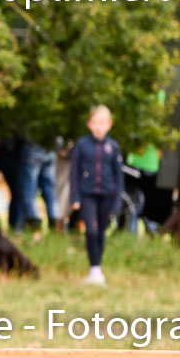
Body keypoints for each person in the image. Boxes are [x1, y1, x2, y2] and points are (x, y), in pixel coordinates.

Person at [70, 104, 123, 286]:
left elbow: (119, 176)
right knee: (90, 231)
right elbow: (74, 172)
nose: (98, 126)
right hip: (87, 195)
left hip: (108, 196)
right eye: (95, 122)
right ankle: (94, 270)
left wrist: (117, 202)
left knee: (101, 232)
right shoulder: (82, 145)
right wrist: (75, 197)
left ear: (109, 124)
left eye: (102, 123)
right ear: (89, 124)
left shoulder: (113, 147)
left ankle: (97, 269)